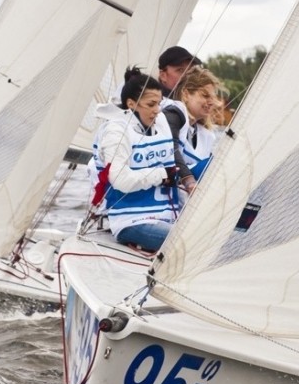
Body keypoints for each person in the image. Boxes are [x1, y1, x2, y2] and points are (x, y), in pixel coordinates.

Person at [91, 67, 195, 253]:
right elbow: (120, 180)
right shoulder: (116, 132)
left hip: (166, 217)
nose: (157, 110)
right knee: (189, 243)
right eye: (151, 104)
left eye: (159, 103)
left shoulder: (160, 122)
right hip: (131, 221)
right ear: (132, 104)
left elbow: (173, 169)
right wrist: (161, 175)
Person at [162, 65, 223, 181]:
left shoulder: (206, 135)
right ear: (185, 94)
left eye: (212, 97)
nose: (211, 102)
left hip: (190, 197)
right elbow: (170, 150)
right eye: (205, 95)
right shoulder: (172, 115)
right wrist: (188, 178)